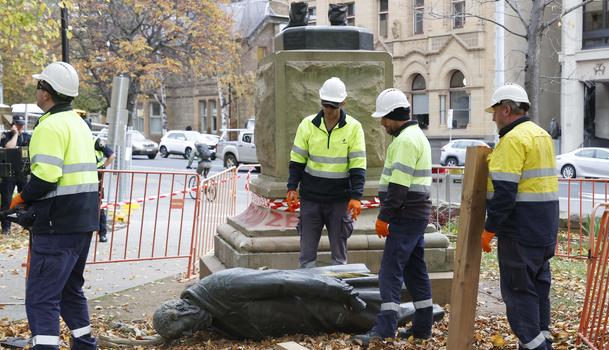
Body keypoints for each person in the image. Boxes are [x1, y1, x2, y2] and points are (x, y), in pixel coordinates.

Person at [11, 61, 100, 349]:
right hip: (83, 221)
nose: (37, 91)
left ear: (46, 93)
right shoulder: (79, 123)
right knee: (70, 289)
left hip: (57, 226)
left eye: (39, 86)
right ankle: (85, 344)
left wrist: (18, 199)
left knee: (41, 297)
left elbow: (47, 176)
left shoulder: (49, 126)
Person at [152, 265, 445, 340]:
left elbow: (285, 280)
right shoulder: (205, 310)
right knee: (367, 312)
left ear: (181, 310)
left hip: (314, 301)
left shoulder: (220, 288)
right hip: (306, 316)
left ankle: (421, 312)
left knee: (369, 310)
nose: (192, 333)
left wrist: (337, 289)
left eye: (185, 329)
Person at [352, 88, 434, 346]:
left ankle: (385, 329)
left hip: (404, 215)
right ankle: (423, 326)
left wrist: (384, 217)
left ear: (393, 115)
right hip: (414, 215)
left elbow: (399, 187)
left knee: (389, 271)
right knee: (415, 270)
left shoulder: (405, 141)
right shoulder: (415, 136)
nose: (382, 123)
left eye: (384, 118)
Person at [482, 84, 558, 350]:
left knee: (519, 295)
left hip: (520, 232)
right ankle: (539, 341)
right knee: (538, 291)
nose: (493, 118)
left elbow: (504, 193)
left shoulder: (512, 140)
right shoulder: (541, 135)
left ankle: (537, 347)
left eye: (495, 112)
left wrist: (490, 228)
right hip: (543, 231)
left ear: (506, 109)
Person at [287, 77, 366, 268]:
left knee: (339, 260)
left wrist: (356, 196)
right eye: (325, 105)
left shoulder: (354, 128)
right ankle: (308, 293)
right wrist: (292, 187)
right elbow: (297, 159)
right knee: (306, 257)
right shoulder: (307, 125)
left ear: (343, 103)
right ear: (321, 102)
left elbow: (358, 164)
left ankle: (338, 294)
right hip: (311, 199)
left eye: (333, 106)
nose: (329, 110)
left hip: (339, 201)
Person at [0, 114, 31, 234]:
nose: (20, 127)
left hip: (23, 172)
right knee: (7, 201)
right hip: (9, 173)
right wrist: (15, 134)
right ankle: (6, 227)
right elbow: (9, 147)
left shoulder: (27, 136)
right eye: (17, 125)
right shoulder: (6, 136)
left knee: (26, 199)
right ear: (13, 124)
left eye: (21, 125)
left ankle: (26, 223)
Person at [94, 134, 115, 243]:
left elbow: (112, 155)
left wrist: (103, 168)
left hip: (96, 178)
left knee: (99, 207)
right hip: (82, 177)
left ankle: (102, 233)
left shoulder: (96, 141)